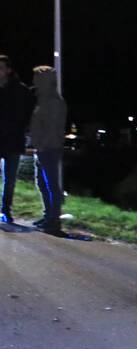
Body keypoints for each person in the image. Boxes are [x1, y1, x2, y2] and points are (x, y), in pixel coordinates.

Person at [29, 66, 66, 236]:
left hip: (49, 148)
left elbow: (52, 127)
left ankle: (53, 219)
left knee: (51, 185)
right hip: (42, 148)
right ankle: (48, 215)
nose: (34, 82)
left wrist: (42, 144)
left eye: (37, 78)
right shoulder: (43, 99)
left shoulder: (53, 101)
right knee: (43, 184)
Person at [0, 55, 35, 225]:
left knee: (10, 179)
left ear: (8, 70)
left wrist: (21, 129)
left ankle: (6, 209)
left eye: (1, 68)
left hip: (13, 140)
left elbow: (28, 113)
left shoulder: (21, 91)